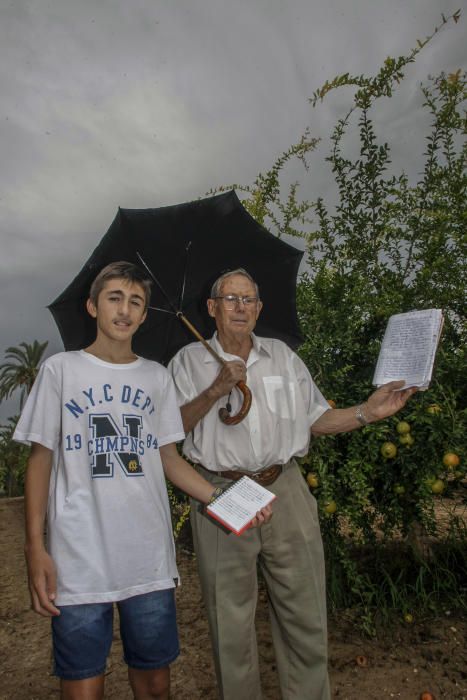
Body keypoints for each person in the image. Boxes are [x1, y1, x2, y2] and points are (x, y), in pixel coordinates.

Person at [14, 261, 270, 700]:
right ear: (93, 306)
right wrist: (35, 546)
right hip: (78, 560)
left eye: (136, 302)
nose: (125, 310)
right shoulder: (61, 371)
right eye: (115, 298)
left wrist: (229, 500)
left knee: (154, 684)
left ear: (145, 315)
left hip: (148, 562)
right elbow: (41, 459)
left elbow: (167, 457)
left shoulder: (155, 377)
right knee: (82, 685)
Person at [168, 268, 417, 700]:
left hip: (286, 487)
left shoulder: (282, 357)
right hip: (221, 490)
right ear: (211, 308)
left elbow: (314, 418)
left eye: (249, 299)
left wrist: (368, 412)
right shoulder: (187, 362)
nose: (241, 307)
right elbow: (170, 432)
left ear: (260, 308)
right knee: (230, 622)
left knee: (305, 614)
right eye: (230, 299)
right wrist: (215, 389)